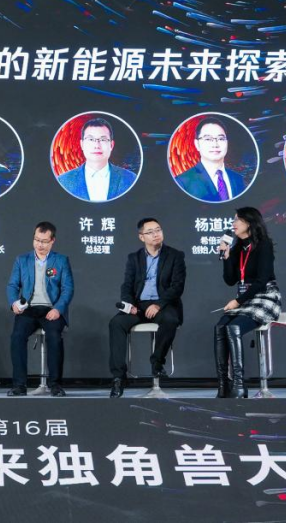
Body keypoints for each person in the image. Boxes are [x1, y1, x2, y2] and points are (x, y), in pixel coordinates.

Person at [108, 218, 186, 398]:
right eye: (150, 232)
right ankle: (118, 378)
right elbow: (127, 286)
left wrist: (158, 304)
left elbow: (177, 287)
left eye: (158, 230)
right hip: (139, 306)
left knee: (170, 320)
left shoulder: (175, 255)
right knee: (116, 323)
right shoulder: (134, 258)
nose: (156, 234)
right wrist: (129, 305)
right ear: (141, 237)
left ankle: (157, 362)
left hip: (164, 304)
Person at [214, 207, 282, 398]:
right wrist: (226, 257)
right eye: (234, 219)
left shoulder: (263, 245)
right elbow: (230, 280)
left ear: (250, 223)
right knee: (220, 327)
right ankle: (223, 385)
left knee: (234, 327)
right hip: (245, 297)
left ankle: (239, 385)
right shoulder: (238, 248)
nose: (233, 224)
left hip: (265, 295)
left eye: (238, 220)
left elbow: (261, 281)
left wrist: (237, 301)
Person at [5, 222, 74, 397]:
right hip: (29, 309)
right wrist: (14, 303)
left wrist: (58, 309)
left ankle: (55, 385)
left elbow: (67, 289)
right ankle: (19, 385)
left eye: (44, 241)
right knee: (17, 337)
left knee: (54, 337)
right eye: (36, 240)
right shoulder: (22, 260)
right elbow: (12, 285)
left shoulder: (61, 260)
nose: (39, 245)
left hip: (52, 308)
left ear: (52, 241)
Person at [56, 117, 137, 202]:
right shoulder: (63, 181)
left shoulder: (131, 179)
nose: (97, 145)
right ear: (82, 144)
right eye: (91, 139)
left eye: (103, 139)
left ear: (111, 145)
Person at [175, 116, 247, 202]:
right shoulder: (183, 182)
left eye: (221, 139)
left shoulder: (238, 179)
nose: (215, 144)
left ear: (227, 142)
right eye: (208, 139)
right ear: (197, 144)